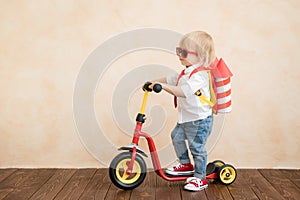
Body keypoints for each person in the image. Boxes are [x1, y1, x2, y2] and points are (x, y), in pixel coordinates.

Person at [148, 31, 215, 191]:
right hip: (186, 118)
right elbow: (171, 78)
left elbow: (182, 92)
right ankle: (185, 164)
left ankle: (200, 178)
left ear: (199, 56)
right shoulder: (187, 71)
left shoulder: (200, 76)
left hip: (199, 120)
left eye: (183, 52)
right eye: (179, 50)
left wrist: (162, 87)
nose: (179, 55)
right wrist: (152, 82)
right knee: (176, 136)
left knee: (196, 148)